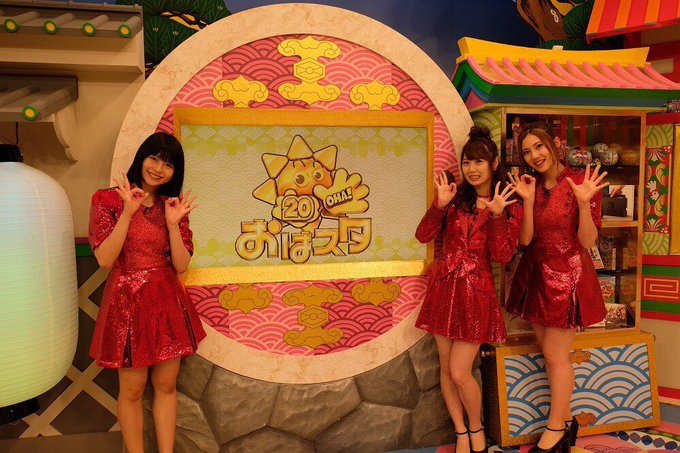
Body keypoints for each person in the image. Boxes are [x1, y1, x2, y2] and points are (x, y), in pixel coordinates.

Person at [88, 132, 206, 453]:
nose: (158, 168)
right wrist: (128, 212)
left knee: (166, 386)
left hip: (166, 301)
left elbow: (181, 265)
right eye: (153, 158)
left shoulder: (173, 206)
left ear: (175, 171)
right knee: (132, 391)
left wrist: (173, 223)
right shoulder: (107, 199)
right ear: (141, 157)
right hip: (127, 300)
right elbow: (104, 259)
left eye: (168, 164)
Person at [415, 126, 522, 453]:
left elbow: (502, 256)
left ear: (494, 164)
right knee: (447, 369)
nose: (472, 169)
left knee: (461, 372)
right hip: (444, 289)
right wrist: (439, 204)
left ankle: (476, 428)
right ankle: (461, 431)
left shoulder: (506, 202)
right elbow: (422, 236)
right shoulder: (454, 197)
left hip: (476, 293)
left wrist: (498, 216)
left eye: (479, 162)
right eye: (467, 162)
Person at [506, 122, 608, 453]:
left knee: (555, 354)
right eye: (526, 151)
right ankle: (566, 422)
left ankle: (555, 429)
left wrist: (583, 203)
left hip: (568, 275)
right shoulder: (529, 185)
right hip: (535, 273)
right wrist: (527, 201)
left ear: (555, 144)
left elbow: (587, 241)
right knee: (549, 355)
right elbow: (524, 240)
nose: (534, 155)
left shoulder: (581, 181)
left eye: (539, 146)